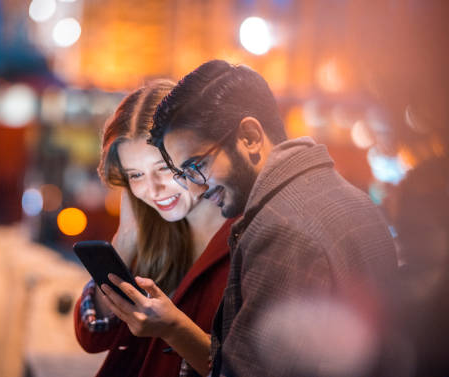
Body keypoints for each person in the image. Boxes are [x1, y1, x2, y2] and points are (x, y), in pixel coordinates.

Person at [149, 60, 399, 377]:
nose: (196, 189)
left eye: (197, 166)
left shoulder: (282, 227)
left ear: (251, 136)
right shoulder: (349, 197)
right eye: (184, 175)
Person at [73, 80, 234, 377]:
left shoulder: (244, 239)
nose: (153, 189)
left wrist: (174, 329)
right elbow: (93, 335)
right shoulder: (155, 233)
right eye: (135, 175)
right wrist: (125, 238)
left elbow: (245, 369)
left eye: (163, 168)